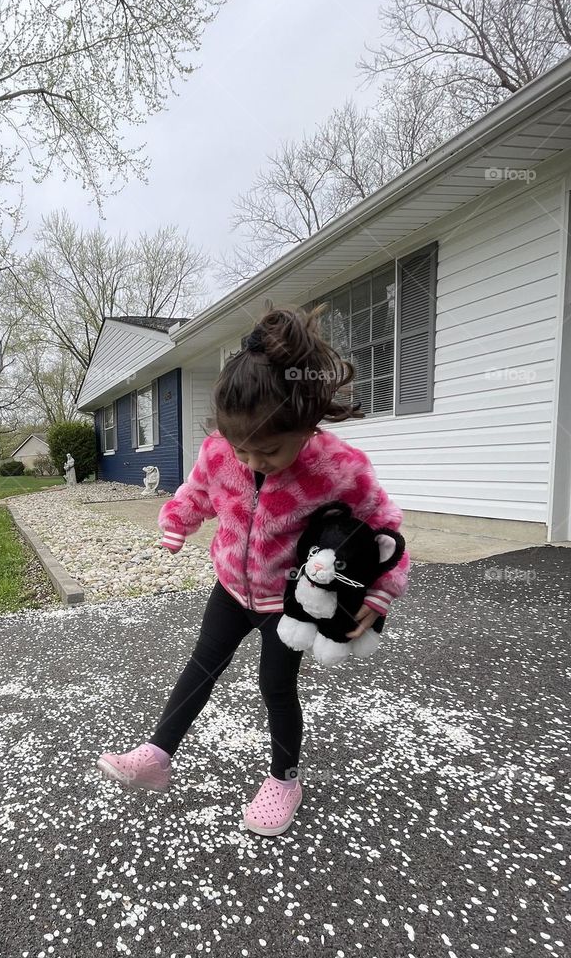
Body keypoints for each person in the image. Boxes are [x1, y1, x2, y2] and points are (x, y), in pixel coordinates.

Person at [97, 304, 411, 836]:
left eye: (266, 449)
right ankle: (157, 753)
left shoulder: (340, 467)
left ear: (307, 426)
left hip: (286, 604)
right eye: (239, 445)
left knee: (275, 686)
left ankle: (285, 779)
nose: (250, 459)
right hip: (229, 585)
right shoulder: (222, 452)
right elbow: (197, 491)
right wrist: (178, 519)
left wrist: (378, 597)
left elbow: (385, 530)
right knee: (201, 668)